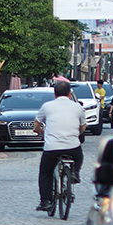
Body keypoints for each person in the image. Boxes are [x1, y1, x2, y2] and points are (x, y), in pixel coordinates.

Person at [32, 80, 85, 212]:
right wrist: (75, 134)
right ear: (69, 93)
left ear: (55, 94)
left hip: (52, 148)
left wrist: (40, 131)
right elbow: (83, 126)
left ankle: (46, 201)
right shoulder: (78, 107)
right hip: (73, 147)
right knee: (79, 156)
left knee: (45, 172)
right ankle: (75, 173)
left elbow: (37, 124)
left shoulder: (47, 106)